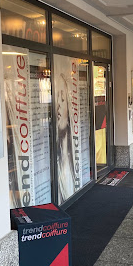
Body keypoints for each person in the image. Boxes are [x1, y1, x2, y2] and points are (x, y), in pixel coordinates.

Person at [56, 73, 76, 204]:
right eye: (56, 99)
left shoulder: (72, 141)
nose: (58, 105)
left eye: (62, 100)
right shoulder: (53, 142)